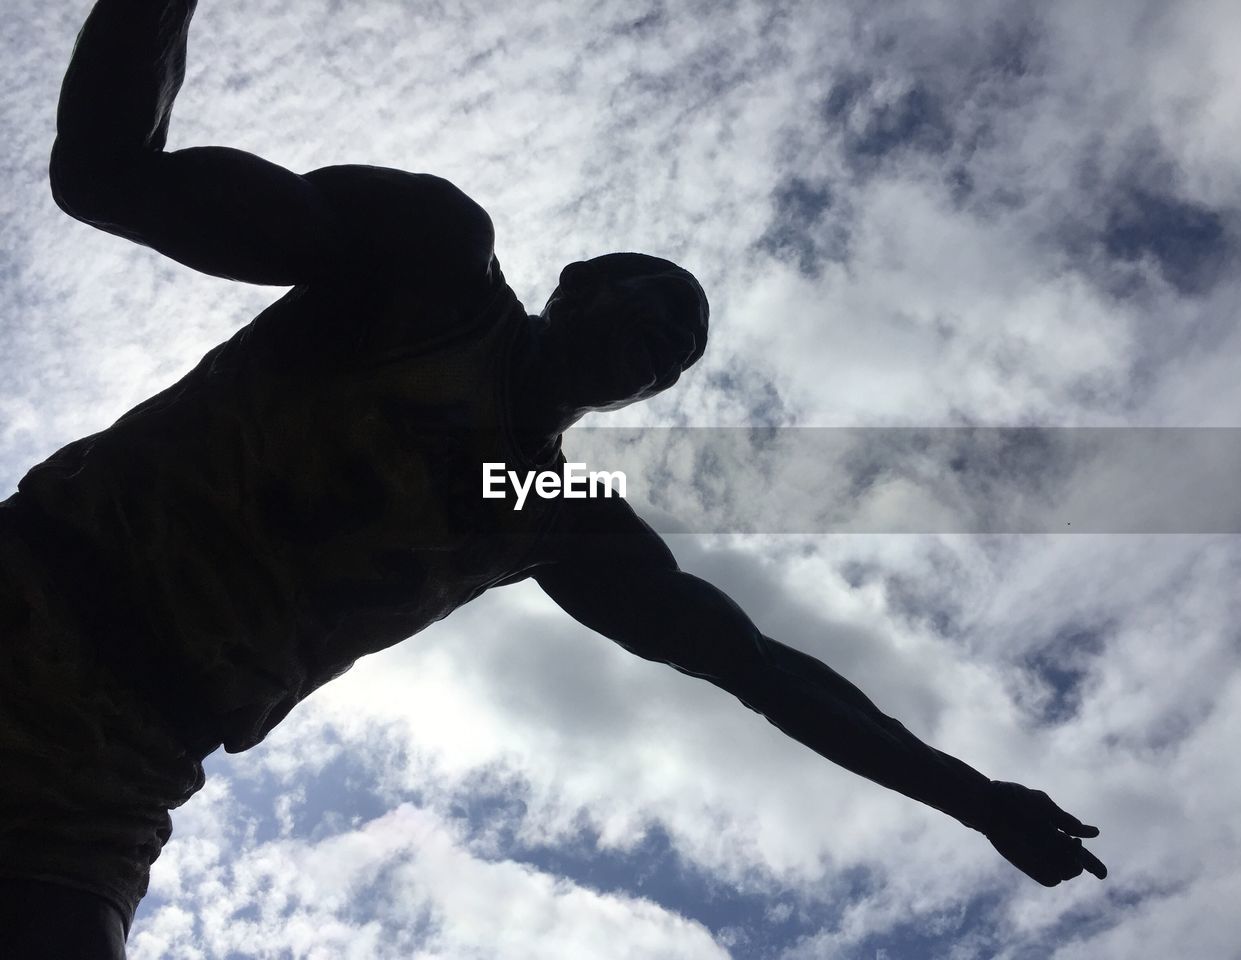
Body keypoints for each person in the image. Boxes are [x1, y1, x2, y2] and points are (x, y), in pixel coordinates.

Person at [0, 1, 1106, 955]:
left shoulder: (542, 511)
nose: (666, 343)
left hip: (121, 772)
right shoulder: (428, 272)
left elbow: (758, 667)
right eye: (656, 305)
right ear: (576, 282)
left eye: (679, 355)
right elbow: (109, 175)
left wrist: (974, 800)